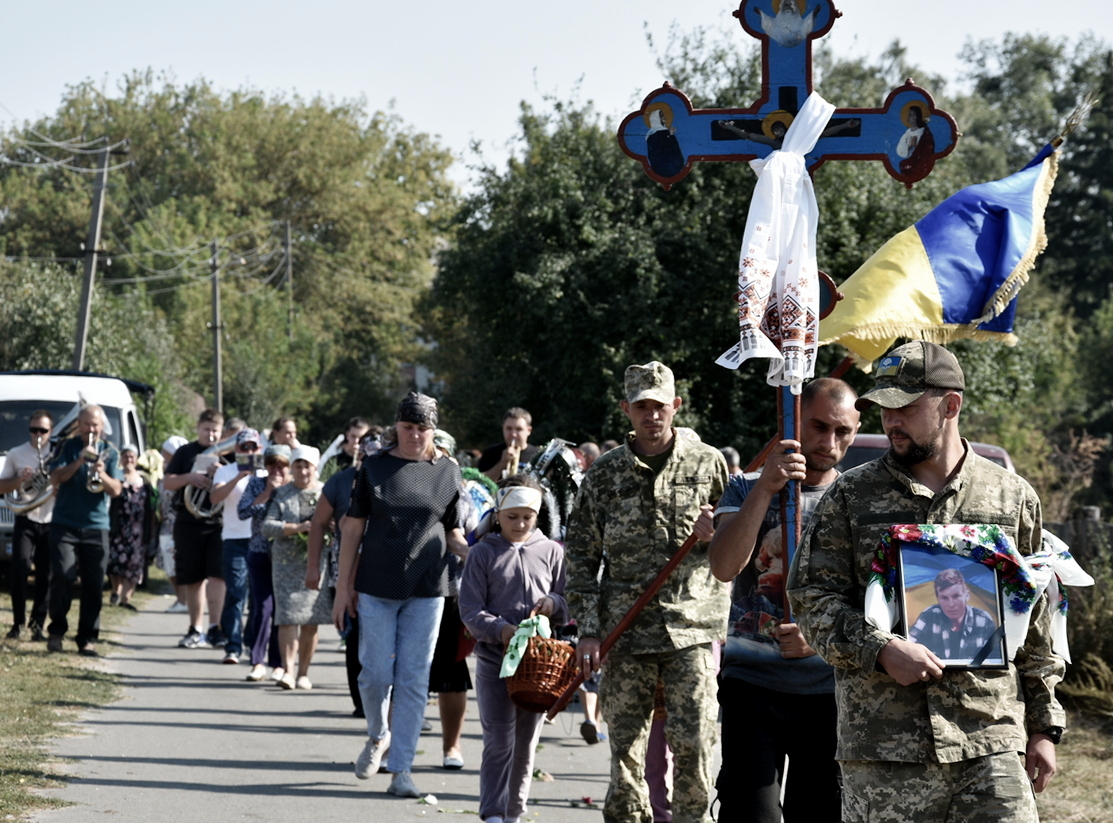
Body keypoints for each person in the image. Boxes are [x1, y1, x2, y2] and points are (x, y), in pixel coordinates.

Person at [787, 341, 1065, 822]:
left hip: (988, 738)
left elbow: (1036, 615)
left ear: (951, 405)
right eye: (883, 409)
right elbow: (810, 597)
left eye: (905, 407)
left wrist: (1044, 725)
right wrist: (880, 649)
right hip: (885, 749)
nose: (890, 421)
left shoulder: (1011, 497)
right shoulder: (851, 496)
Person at [564, 361, 730, 823]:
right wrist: (590, 632)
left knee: (695, 750)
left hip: (691, 629)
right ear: (626, 409)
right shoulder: (604, 475)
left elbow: (740, 543)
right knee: (625, 758)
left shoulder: (708, 463)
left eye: (659, 406)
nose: (651, 415)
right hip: (626, 632)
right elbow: (579, 557)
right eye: (641, 406)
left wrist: (716, 534)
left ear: (676, 406)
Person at [708, 377, 860, 822]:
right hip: (751, 687)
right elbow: (724, 565)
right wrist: (765, 489)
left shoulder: (858, 500)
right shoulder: (743, 487)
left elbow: (877, 601)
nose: (829, 442)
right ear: (793, 421)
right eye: (818, 426)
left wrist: (819, 639)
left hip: (829, 693)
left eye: (842, 432)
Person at [334, 392, 468, 799]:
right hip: (376, 584)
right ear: (396, 426)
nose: (414, 435)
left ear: (433, 429)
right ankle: (378, 734)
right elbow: (353, 528)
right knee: (374, 673)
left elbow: (453, 532)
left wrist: (481, 556)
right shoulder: (374, 467)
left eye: (422, 428)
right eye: (407, 427)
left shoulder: (448, 471)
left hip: (428, 587)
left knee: (413, 678)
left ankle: (402, 769)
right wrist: (343, 589)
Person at [459, 476, 567, 823]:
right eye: (512, 517)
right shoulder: (481, 554)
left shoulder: (551, 551)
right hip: (495, 663)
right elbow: (470, 612)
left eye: (528, 517)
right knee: (499, 739)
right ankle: (492, 811)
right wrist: (501, 630)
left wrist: (553, 603)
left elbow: (570, 600)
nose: (520, 524)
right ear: (498, 514)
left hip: (538, 666)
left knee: (526, 744)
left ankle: (514, 813)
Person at [46, 405, 123, 656]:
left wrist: (102, 474)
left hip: (96, 526)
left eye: (95, 425)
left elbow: (116, 490)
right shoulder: (67, 446)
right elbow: (55, 478)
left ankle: (87, 638)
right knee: (62, 576)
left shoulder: (110, 452)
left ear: (102, 427)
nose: (91, 429)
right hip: (64, 522)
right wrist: (80, 459)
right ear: (79, 425)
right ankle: (57, 631)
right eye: (87, 424)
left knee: (93, 584)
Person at [262, 445, 331, 690]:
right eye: (298, 465)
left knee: (310, 620)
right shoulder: (282, 494)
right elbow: (267, 526)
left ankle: (304, 672)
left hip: (316, 562)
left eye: (307, 466)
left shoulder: (326, 493)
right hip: (285, 564)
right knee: (288, 618)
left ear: (315, 468)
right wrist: (296, 528)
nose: (302, 470)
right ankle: (288, 671)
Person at [164, 409, 227, 649]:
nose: (210, 435)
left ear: (221, 432)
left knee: (218, 577)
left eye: (215, 431)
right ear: (198, 428)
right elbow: (168, 481)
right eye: (206, 429)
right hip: (188, 521)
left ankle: (216, 628)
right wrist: (190, 477)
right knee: (193, 578)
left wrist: (219, 473)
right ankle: (195, 628)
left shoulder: (226, 454)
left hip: (218, 522)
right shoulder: (185, 452)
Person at [210, 428, 266, 664]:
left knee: (256, 596)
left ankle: (252, 642)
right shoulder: (225, 470)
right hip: (234, 538)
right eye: (244, 447)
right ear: (237, 449)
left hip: (259, 540)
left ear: (260, 449)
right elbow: (215, 498)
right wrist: (238, 477)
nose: (249, 451)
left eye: (253, 447)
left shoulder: (265, 473)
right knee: (235, 593)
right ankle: (233, 645)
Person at [0, 410, 55, 641]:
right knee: (20, 569)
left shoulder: (57, 454)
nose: (38, 435)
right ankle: (18, 623)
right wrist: (21, 480)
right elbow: (2, 487)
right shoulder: (17, 453)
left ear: (51, 431)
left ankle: (37, 625)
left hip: (51, 519)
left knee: (46, 574)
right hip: (26, 516)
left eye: (43, 430)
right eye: (34, 430)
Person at [238, 444, 291, 682]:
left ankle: (278, 663)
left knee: (281, 609)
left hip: (285, 556)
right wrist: (267, 492)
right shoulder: (256, 484)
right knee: (263, 606)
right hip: (258, 552)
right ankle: (257, 661)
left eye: (282, 465)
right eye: (272, 464)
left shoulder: (293, 488)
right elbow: (243, 512)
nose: (276, 469)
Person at [107, 444, 157, 611]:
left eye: (132, 456)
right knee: (115, 563)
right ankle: (115, 590)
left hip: (138, 530)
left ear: (136, 459)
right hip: (118, 527)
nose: (129, 459)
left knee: (134, 565)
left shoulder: (144, 480)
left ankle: (125, 599)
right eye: (126, 456)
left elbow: (151, 505)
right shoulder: (116, 477)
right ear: (121, 458)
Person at [909, 568, 998, 661]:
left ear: (966, 595)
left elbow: (996, 658)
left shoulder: (984, 620)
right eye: (944, 598)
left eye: (956, 596)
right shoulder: (928, 616)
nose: (951, 604)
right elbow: (910, 647)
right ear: (938, 598)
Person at [156, 436, 190, 613]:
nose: (163, 455)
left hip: (179, 524)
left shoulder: (183, 473)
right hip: (166, 524)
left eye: (166, 452)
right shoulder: (165, 470)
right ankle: (180, 599)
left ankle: (184, 601)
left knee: (178, 565)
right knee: (169, 567)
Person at [478, 408, 540, 483]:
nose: (513, 434)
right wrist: (502, 463)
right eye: (509, 428)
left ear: (529, 430)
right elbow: (481, 483)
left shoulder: (538, 455)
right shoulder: (490, 453)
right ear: (503, 428)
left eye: (519, 429)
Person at [318, 417, 373, 483]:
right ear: (347, 435)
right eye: (353, 436)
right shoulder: (334, 460)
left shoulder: (371, 461)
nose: (356, 441)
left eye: (361, 438)